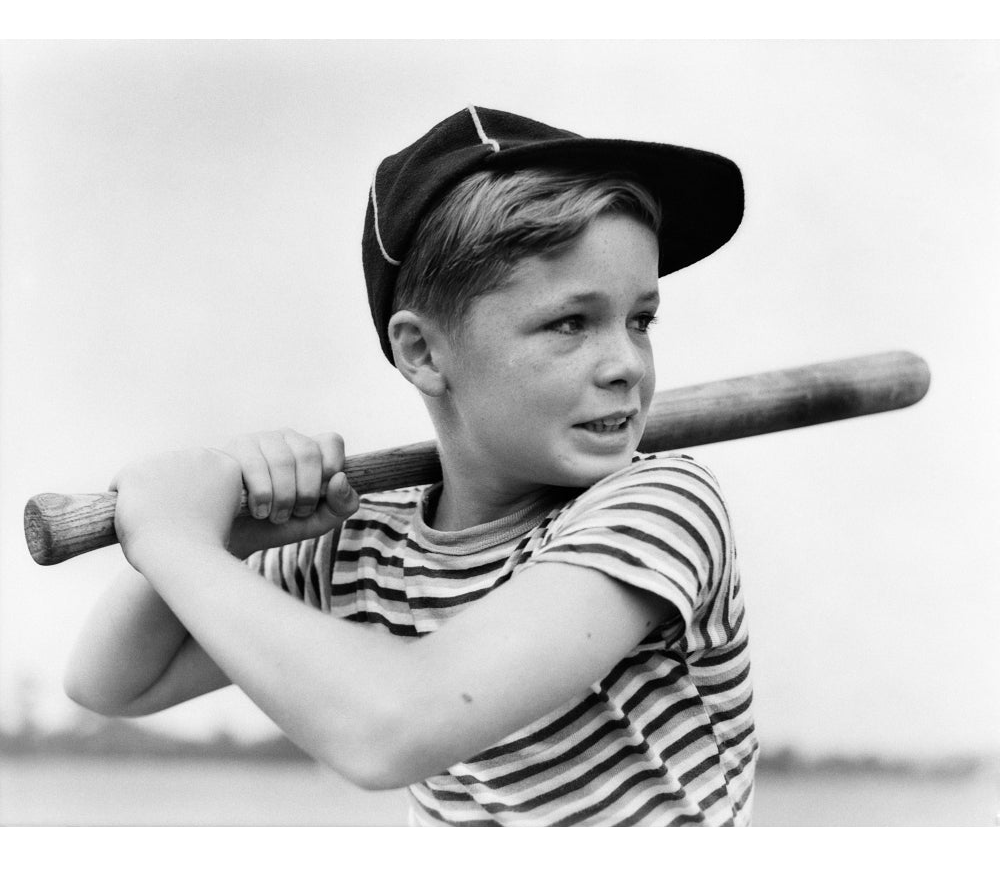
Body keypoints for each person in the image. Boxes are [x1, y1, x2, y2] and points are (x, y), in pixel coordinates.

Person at [64, 106, 757, 826]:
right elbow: (112, 682)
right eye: (570, 323)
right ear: (423, 352)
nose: (625, 364)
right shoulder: (364, 542)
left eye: (639, 319)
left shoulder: (660, 504)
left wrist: (174, 542)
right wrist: (221, 537)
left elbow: (393, 731)